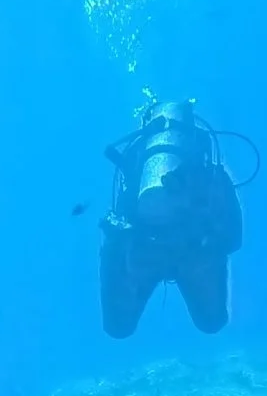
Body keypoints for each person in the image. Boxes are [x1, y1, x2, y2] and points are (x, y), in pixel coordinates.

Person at [100, 99, 246, 336]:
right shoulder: (209, 172)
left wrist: (116, 245)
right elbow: (234, 238)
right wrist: (208, 246)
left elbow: (119, 221)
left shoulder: (136, 166)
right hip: (194, 254)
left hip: (146, 253)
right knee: (212, 322)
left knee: (118, 328)